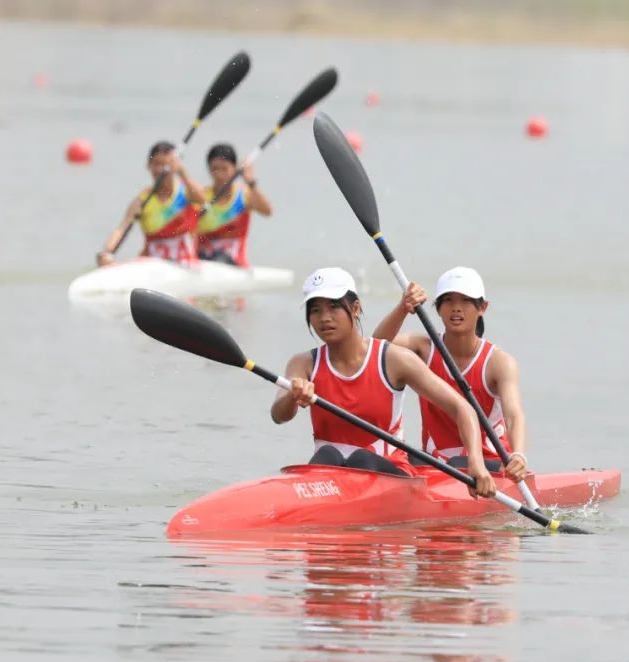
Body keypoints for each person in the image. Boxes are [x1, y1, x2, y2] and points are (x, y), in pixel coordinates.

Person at [270, 267, 496, 498]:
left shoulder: (393, 359)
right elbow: (278, 415)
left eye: (334, 306)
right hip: (329, 474)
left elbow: (462, 408)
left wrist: (476, 464)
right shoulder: (303, 363)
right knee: (327, 455)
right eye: (315, 310)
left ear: (355, 308)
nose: (324, 318)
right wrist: (292, 396)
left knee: (360, 458)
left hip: (390, 475)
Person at [372, 267, 528, 482]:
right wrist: (402, 308)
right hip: (435, 462)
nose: (456, 308)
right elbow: (376, 348)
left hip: (489, 464)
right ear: (437, 308)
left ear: (482, 307)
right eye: (448, 301)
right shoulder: (423, 348)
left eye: (465, 301)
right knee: (390, 460)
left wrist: (518, 456)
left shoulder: (499, 363)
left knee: (454, 464)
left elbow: (514, 414)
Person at [96, 141, 206, 267]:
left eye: (164, 164)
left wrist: (181, 171)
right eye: (155, 164)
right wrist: (106, 252)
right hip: (152, 262)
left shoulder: (186, 192)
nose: (159, 170)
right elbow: (122, 228)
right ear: (148, 166)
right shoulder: (141, 201)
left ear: (174, 166)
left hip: (185, 262)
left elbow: (203, 199)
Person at [195, 143, 272, 267]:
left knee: (219, 258)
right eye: (214, 169)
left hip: (233, 261)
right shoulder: (201, 197)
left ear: (235, 169)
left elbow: (268, 211)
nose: (219, 175)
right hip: (203, 259)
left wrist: (250, 182)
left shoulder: (244, 195)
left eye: (224, 169)